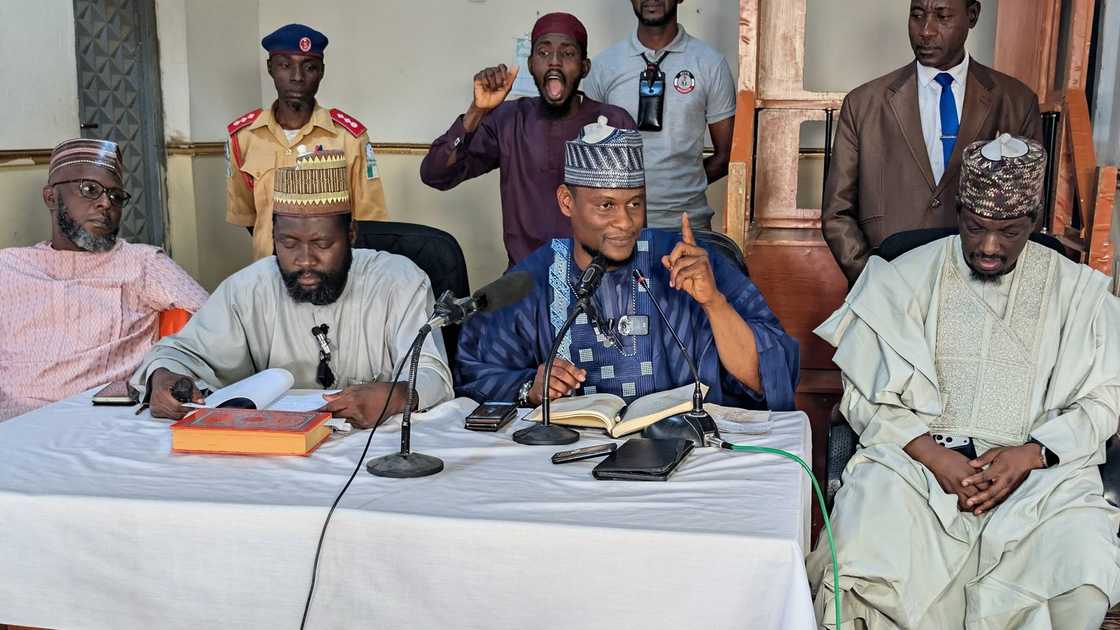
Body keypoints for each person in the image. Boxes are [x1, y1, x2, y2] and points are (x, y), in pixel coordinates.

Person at [807, 135, 1120, 629]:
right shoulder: (904, 276)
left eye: (1010, 232)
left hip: (1038, 474)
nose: (989, 247)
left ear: (1034, 222)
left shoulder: (1078, 293)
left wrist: (1031, 454)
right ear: (958, 211)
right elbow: (863, 395)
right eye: (975, 228)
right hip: (917, 465)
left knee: (1081, 560)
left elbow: (1105, 400)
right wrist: (935, 457)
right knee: (866, 538)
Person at [456, 118, 798, 410]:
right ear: (566, 202)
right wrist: (529, 386)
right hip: (567, 467)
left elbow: (768, 378)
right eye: (606, 206)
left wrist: (714, 303)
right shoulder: (535, 280)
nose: (626, 222)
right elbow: (473, 374)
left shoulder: (687, 265)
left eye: (635, 203)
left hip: (685, 460)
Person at [134, 151, 452, 428]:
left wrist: (396, 395)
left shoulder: (399, 281)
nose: (305, 260)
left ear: (351, 234)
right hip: (274, 458)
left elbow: (432, 375)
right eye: (288, 244)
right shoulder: (249, 288)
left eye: (322, 244)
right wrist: (163, 378)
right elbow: (178, 353)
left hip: (377, 453)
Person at [822, 0, 1043, 286]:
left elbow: (1030, 210)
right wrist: (873, 282)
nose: (926, 30)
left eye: (942, 16)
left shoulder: (1016, 101)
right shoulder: (863, 104)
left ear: (972, 15)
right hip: (886, 283)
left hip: (980, 287)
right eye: (917, 15)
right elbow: (837, 213)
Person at [0, 138, 207, 421]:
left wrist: (164, 369)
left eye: (116, 195)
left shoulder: (142, 263)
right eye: (89, 189)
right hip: (11, 426)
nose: (105, 203)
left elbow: (219, 323)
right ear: (50, 197)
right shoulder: (8, 267)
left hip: (99, 423)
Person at [420, 12, 635, 266]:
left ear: (584, 67)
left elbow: (631, 218)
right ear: (531, 64)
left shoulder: (613, 122)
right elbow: (435, 174)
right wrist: (477, 110)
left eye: (567, 54)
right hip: (525, 283)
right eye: (544, 53)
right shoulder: (509, 119)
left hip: (598, 284)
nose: (554, 62)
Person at [226, 23, 389, 260]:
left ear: (322, 71)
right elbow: (249, 217)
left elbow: (367, 221)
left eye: (309, 67)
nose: (297, 77)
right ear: (270, 68)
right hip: (266, 272)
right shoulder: (243, 137)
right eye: (284, 65)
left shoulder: (349, 137)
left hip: (332, 275)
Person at [583, 0, 735, 231]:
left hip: (688, 225)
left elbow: (726, 157)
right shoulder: (604, 66)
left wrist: (681, 187)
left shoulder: (710, 64)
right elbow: (589, 156)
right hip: (619, 228)